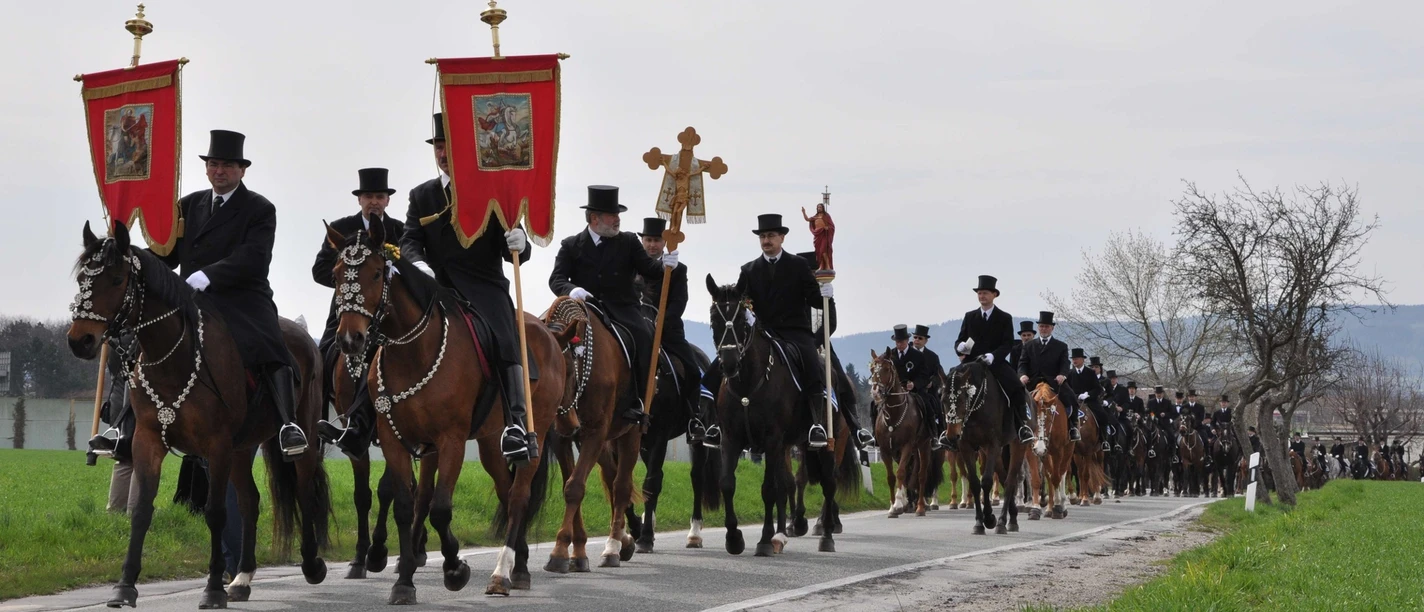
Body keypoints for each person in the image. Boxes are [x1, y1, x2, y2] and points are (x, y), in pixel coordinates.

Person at [156, 130, 306, 455]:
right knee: (144, 340)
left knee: (269, 343)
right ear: (206, 168)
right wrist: (129, 250)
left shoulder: (259, 208)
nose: (219, 171)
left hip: (243, 298)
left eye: (226, 165)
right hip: (191, 299)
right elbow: (166, 253)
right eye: (213, 164)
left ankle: (287, 423)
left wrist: (208, 275)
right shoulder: (187, 205)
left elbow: (253, 257)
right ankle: (122, 424)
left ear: (241, 170)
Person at [401, 113, 539, 461]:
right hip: (436, 286)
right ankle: (372, 417)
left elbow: (513, 248)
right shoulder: (422, 196)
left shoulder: (489, 191)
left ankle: (516, 425)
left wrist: (519, 241)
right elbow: (410, 239)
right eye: (438, 146)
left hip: (484, 286)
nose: (443, 153)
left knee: (505, 339)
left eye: (448, 146)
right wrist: (417, 263)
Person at [550, 185, 674, 426]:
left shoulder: (628, 241)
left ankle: (637, 400)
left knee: (645, 337)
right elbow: (556, 279)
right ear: (594, 218)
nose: (618, 220)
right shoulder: (571, 245)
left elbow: (650, 269)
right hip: (582, 309)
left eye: (618, 215)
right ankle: (550, 396)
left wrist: (665, 264)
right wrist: (571, 290)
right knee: (550, 334)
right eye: (612, 215)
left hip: (622, 309)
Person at [714, 213, 834, 447]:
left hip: (794, 332)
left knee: (812, 364)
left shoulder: (798, 265)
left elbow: (816, 301)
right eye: (762, 236)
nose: (766, 241)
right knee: (721, 361)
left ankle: (816, 424)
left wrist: (827, 295)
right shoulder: (748, 269)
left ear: (782, 237)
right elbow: (744, 299)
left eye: (770, 236)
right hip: (762, 332)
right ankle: (711, 421)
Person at [313, 168, 405, 459]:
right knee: (322, 355)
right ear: (360, 200)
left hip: (388, 315)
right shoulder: (342, 228)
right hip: (348, 310)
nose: (374, 202)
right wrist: (351, 281)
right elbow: (318, 271)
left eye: (380, 196)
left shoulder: (400, 231)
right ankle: (318, 420)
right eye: (369, 196)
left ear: (387, 201)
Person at [633, 217, 702, 443]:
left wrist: (662, 321)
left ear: (664, 243)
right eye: (648, 240)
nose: (652, 245)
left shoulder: (678, 270)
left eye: (656, 241)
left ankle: (694, 417)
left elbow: (679, 301)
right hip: (634, 325)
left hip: (667, 329)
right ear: (642, 241)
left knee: (692, 368)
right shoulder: (632, 266)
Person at [953, 275, 1033, 443]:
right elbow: (961, 339)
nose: (982, 296)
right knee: (950, 384)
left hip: (995, 363)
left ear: (994, 295)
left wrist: (993, 356)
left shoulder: (1004, 317)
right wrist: (959, 346)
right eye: (980, 293)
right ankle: (947, 430)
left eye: (985, 293)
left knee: (1017, 387)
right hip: (972, 363)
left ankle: (1021, 425)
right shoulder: (970, 316)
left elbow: (1007, 343)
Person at [1017, 311, 1077, 441]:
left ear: (1052, 328)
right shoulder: (1029, 345)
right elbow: (1022, 363)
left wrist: (1062, 375)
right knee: (1016, 399)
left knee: (1071, 397)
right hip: (1032, 382)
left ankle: (1073, 427)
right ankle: (1021, 427)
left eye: (1046, 326)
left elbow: (1065, 364)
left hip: (1054, 381)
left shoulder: (1061, 346)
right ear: (1038, 328)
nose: (1044, 329)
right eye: (1041, 326)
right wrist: (1022, 375)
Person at [1068, 348, 1116, 451]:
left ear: (1082, 360)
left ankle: (1104, 441)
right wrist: (1076, 396)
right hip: (1075, 402)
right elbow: (1068, 389)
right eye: (1073, 359)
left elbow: (1097, 389)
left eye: (1076, 359)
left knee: (1103, 416)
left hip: (1090, 401)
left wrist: (1088, 394)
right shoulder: (1070, 373)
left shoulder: (1090, 372)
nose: (1074, 361)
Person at [911, 324, 947, 449]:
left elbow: (939, 375)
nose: (916, 340)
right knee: (876, 404)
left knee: (933, 408)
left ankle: (935, 436)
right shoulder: (905, 352)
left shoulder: (932, 357)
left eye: (920, 338)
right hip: (904, 390)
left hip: (924, 391)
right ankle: (876, 436)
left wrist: (933, 383)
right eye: (915, 337)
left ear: (926, 341)